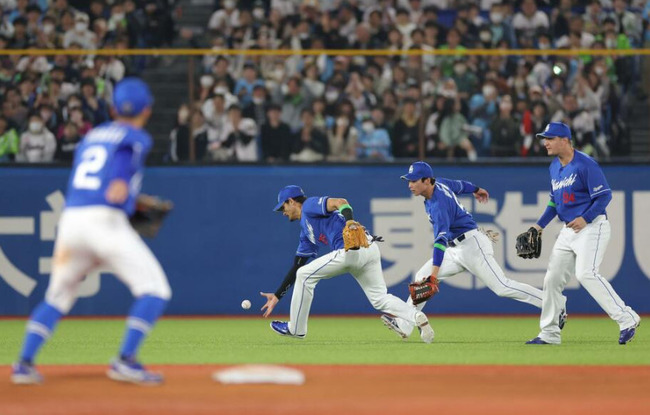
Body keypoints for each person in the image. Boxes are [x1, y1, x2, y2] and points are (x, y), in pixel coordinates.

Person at [11, 78, 172, 385]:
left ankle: (24, 364)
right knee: (155, 289)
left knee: (57, 297)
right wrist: (124, 190)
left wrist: (133, 200)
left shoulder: (93, 135)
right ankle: (125, 359)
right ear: (147, 109)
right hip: (105, 222)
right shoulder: (135, 136)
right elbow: (118, 179)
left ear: (113, 107)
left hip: (72, 220)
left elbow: (96, 181)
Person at [382, 161, 556, 339]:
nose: (409, 185)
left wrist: (434, 276)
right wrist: (476, 189)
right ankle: (404, 325)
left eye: (414, 181)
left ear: (427, 181)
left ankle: (553, 304)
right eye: (408, 180)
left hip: (473, 246)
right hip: (456, 249)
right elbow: (459, 185)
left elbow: (440, 242)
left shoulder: (438, 205)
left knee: (502, 286)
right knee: (421, 276)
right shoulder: (439, 183)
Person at [260, 185, 434, 343]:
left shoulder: (309, 206)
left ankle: (296, 329)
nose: (282, 212)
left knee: (305, 276)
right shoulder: (306, 233)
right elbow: (297, 265)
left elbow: (341, 202)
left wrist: (349, 220)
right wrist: (277, 295)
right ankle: (416, 316)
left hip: (352, 250)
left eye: (283, 207)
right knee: (379, 299)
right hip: (368, 249)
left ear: (291, 201)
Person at [525, 122, 640, 345]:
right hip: (568, 230)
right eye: (544, 138)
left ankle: (627, 318)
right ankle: (549, 334)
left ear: (565, 140)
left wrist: (585, 217)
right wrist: (538, 226)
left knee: (586, 273)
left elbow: (604, 196)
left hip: (592, 227)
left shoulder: (585, 164)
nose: (545, 143)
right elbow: (554, 202)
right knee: (552, 279)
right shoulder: (554, 167)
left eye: (550, 138)